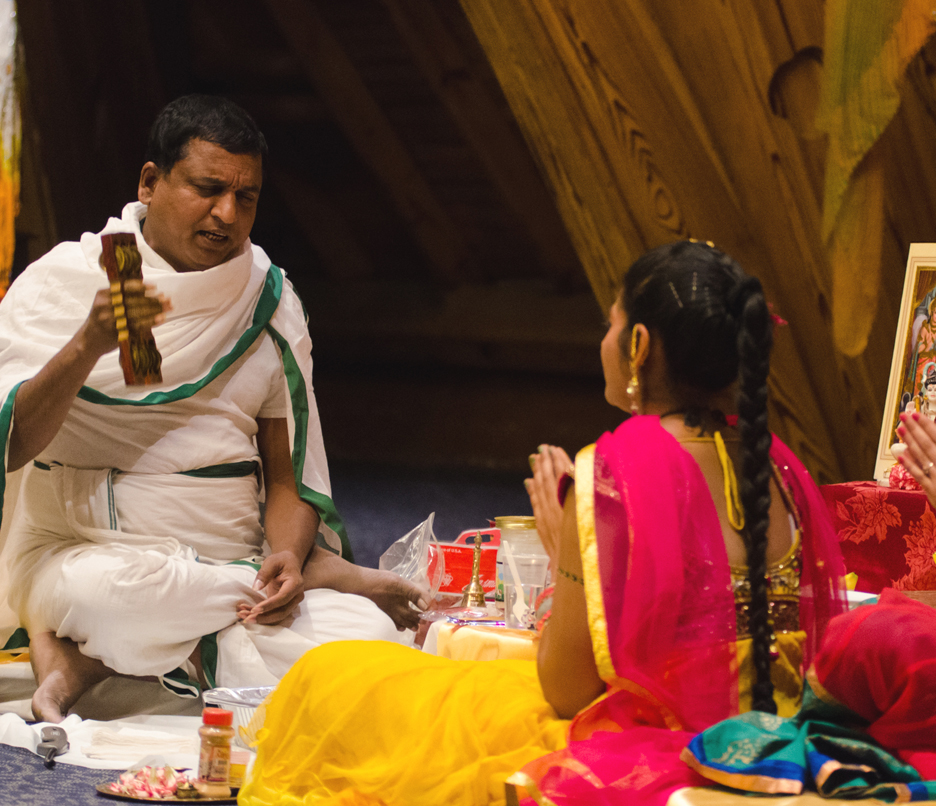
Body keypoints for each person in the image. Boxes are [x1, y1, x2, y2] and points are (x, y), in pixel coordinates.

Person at [238, 240, 847, 806]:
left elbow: (568, 692)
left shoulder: (614, 473)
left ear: (637, 346)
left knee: (333, 679)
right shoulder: (781, 471)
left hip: (643, 746)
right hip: (766, 734)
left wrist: (566, 553)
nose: (603, 340)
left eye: (610, 324)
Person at [0, 94, 425, 723]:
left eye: (245, 197)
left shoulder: (267, 298)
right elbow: (11, 444)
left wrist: (284, 557)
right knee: (120, 599)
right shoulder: (67, 281)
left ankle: (91, 660)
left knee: (370, 643)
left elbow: (288, 477)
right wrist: (88, 344)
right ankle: (326, 575)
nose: (225, 215)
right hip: (88, 555)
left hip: (234, 560)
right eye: (207, 189)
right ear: (150, 182)